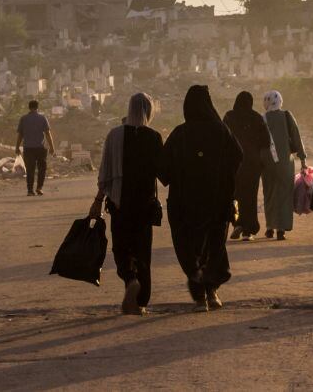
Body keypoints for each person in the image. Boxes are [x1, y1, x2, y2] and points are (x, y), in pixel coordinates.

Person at [159, 85, 242, 311]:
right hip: (216, 201)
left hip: (185, 205)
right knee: (214, 246)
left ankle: (199, 295)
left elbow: (163, 170)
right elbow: (238, 156)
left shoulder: (180, 134)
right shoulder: (221, 131)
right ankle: (212, 292)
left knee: (190, 247)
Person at [89, 93, 163, 315]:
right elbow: (164, 172)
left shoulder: (115, 135)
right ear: (149, 112)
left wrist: (97, 201)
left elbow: (106, 174)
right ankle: (139, 302)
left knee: (121, 248)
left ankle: (130, 280)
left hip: (119, 203)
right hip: (145, 204)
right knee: (143, 252)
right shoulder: (153, 137)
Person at [224, 91, 272, 241]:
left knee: (236, 194)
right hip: (252, 163)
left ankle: (237, 222)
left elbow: (222, 137)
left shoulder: (229, 117)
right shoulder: (257, 118)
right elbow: (266, 141)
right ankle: (248, 230)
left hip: (234, 164)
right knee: (250, 196)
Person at [262, 90, 306, 241]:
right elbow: (296, 137)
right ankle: (281, 229)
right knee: (284, 194)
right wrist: (303, 159)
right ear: (280, 101)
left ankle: (269, 227)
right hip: (285, 162)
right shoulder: (287, 116)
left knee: (269, 193)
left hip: (267, 162)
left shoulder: (263, 118)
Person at [15, 100, 56, 197]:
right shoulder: (42, 118)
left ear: (29, 107)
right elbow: (47, 134)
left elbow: (20, 135)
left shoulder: (23, 119)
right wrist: (52, 147)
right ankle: (39, 188)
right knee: (42, 169)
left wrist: (17, 147)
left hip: (28, 149)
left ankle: (30, 190)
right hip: (40, 148)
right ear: (37, 108)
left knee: (30, 169)